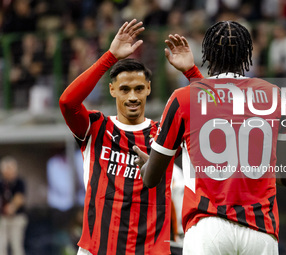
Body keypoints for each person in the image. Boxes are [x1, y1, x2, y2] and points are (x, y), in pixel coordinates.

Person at [134, 20, 286, 254]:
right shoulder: (275, 96)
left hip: (207, 227)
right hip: (261, 229)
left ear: (206, 54)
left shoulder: (183, 98)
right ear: (247, 55)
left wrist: (145, 165)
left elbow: (151, 179)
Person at [59, 19, 203, 255]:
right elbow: (67, 102)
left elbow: (211, 112)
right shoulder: (96, 127)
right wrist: (110, 57)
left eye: (138, 88)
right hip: (97, 248)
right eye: (125, 89)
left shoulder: (164, 133)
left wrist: (191, 72)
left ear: (148, 88)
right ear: (112, 90)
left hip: (150, 250)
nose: (133, 96)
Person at [0, 156, 28, 255]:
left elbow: (19, 198)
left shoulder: (19, 182)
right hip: (3, 218)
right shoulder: (2, 183)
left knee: (16, 245)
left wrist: (12, 207)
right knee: (1, 245)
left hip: (17, 218)